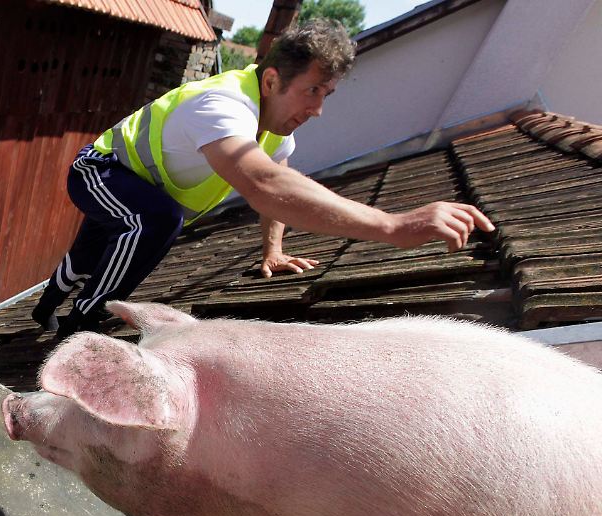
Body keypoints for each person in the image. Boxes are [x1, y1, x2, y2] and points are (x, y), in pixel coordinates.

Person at [31, 19, 494, 338]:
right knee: (153, 221)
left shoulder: (273, 132)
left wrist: (273, 249)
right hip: (99, 169)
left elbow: (279, 179)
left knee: (90, 251)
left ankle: (43, 307)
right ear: (270, 81)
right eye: (312, 91)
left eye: (326, 94)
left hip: (134, 190)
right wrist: (393, 226)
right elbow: (265, 187)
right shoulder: (221, 105)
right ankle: (82, 323)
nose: (317, 110)